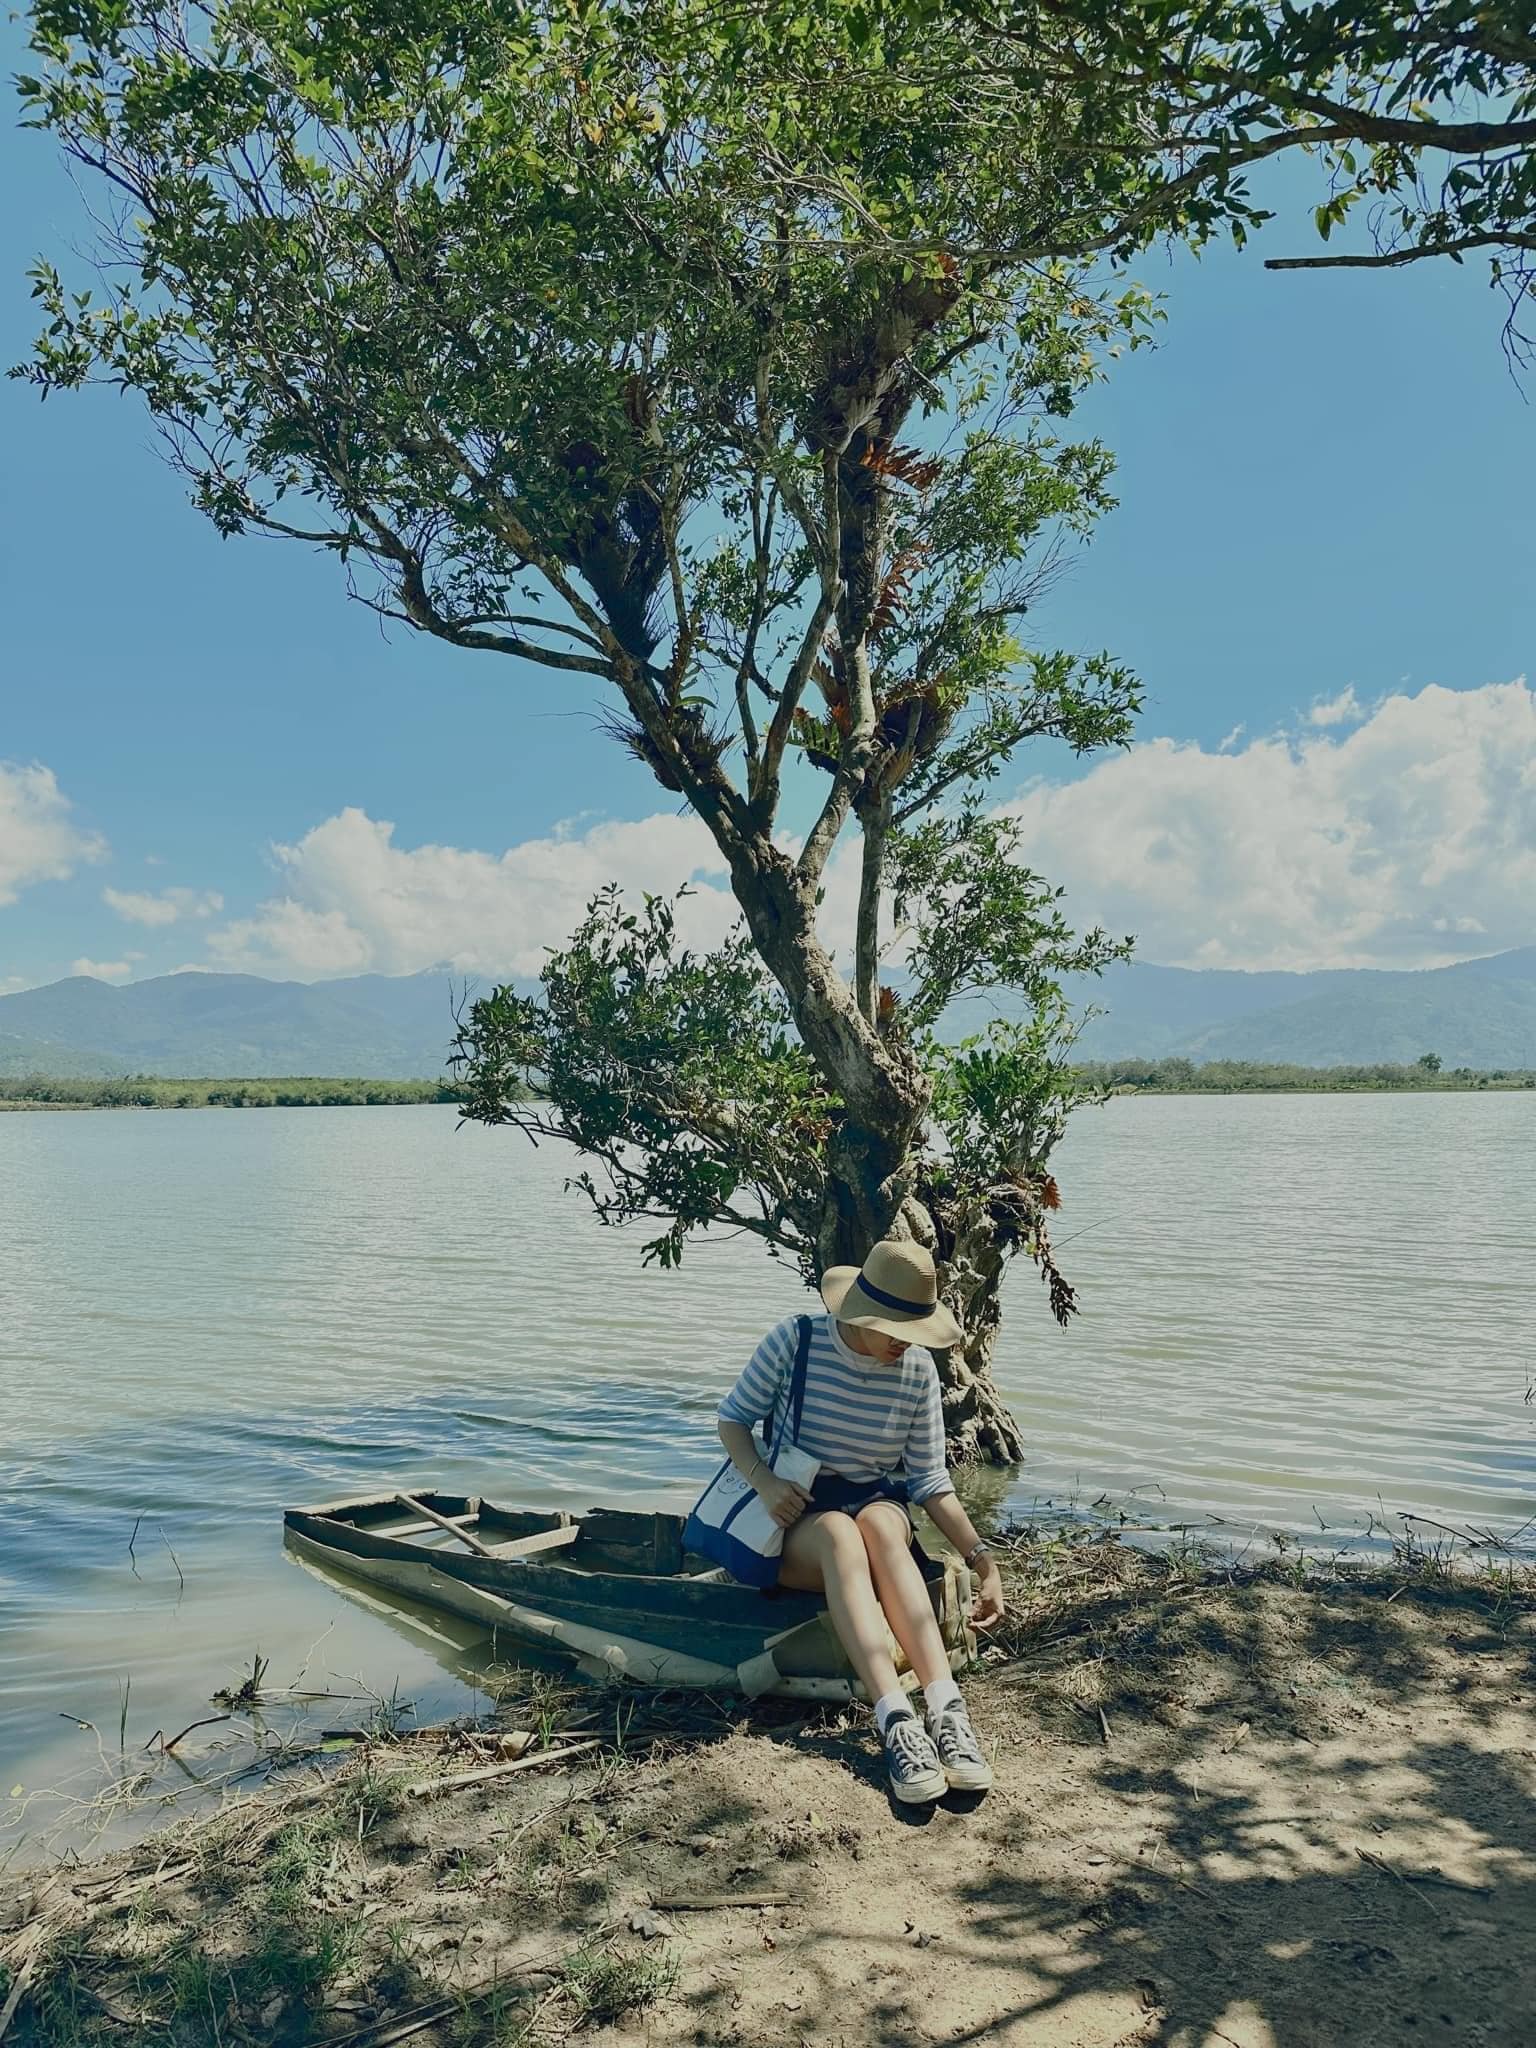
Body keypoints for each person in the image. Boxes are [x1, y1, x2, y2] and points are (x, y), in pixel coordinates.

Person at [716, 1238, 1006, 1804]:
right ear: (860, 1313)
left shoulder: (918, 1370)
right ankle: (896, 1721)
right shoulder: (794, 1342)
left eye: (914, 1333)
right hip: (798, 1516)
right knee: (841, 1535)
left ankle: (946, 1708)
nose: (905, 1344)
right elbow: (733, 1420)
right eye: (895, 1330)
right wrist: (765, 1482)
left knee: (877, 1523)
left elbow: (929, 1482)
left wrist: (981, 1557)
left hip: (874, 1508)